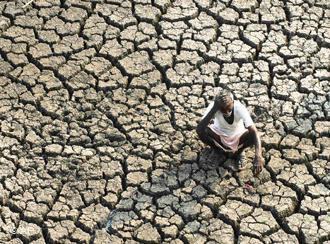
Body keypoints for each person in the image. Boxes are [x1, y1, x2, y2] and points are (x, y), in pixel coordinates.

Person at [196, 88, 264, 175]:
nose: (226, 112)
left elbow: (254, 131)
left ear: (233, 101)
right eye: (222, 110)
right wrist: (214, 108)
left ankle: (239, 152)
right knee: (204, 130)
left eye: (229, 108)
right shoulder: (214, 107)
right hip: (219, 135)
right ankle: (217, 151)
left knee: (252, 135)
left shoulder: (239, 107)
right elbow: (199, 129)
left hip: (238, 136)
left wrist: (258, 155)